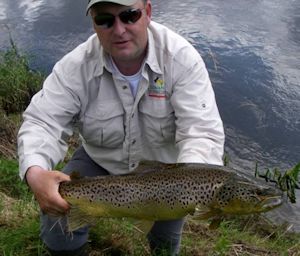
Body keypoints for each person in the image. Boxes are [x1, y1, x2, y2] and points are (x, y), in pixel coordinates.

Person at [17, 0, 225, 255]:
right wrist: (36, 173)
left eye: (129, 16)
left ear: (147, 12)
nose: (119, 30)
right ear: (93, 22)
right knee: (57, 223)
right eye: (105, 20)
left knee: (165, 247)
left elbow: (201, 132)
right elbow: (42, 121)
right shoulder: (76, 66)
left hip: (169, 178)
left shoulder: (181, 60)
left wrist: (191, 186)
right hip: (99, 164)